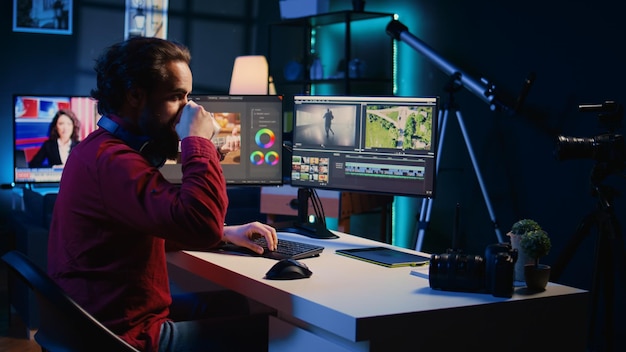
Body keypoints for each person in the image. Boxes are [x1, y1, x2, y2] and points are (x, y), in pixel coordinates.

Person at [47, 37, 278, 352]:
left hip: (101, 321)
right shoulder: (114, 162)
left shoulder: (98, 148)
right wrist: (197, 141)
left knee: (237, 303)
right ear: (135, 95)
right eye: (176, 97)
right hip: (121, 338)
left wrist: (224, 234)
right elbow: (199, 224)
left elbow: (142, 226)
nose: (187, 111)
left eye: (188, 97)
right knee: (272, 333)